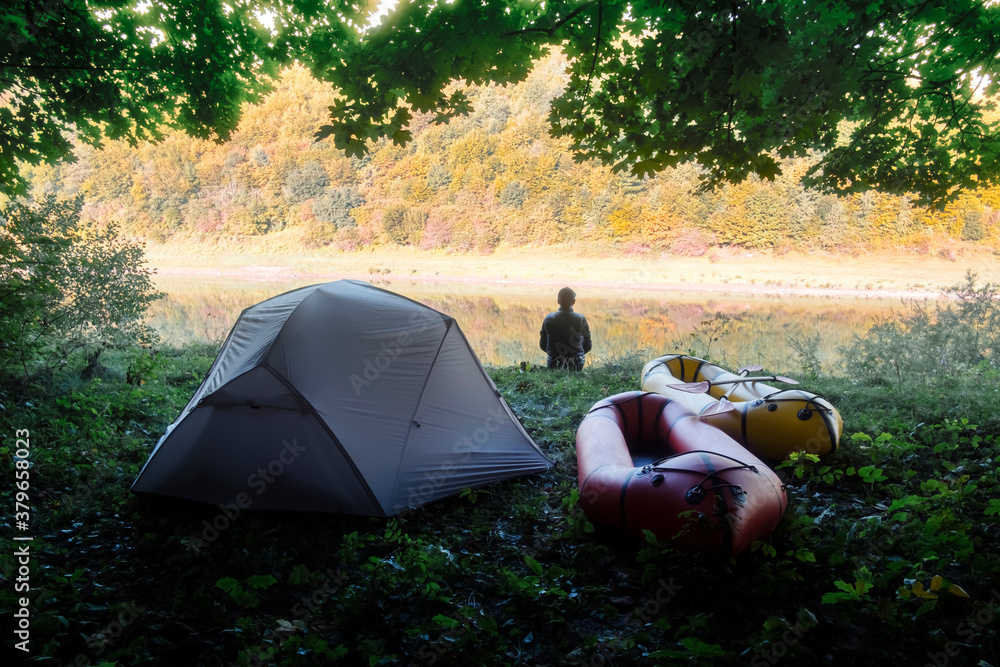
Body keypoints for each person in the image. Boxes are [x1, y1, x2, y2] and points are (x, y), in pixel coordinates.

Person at [539, 287, 592, 370]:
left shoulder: (548, 318)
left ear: (558, 301)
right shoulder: (580, 319)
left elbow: (543, 345)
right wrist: (575, 356)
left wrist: (556, 355)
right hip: (576, 365)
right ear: (574, 302)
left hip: (553, 364)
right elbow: (588, 346)